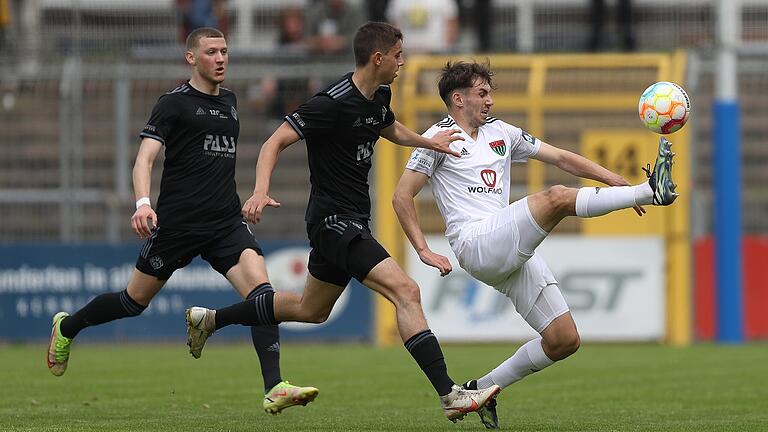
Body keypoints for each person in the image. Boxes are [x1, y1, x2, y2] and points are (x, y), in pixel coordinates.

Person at [184, 22, 501, 422]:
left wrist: (428, 141)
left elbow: (388, 128)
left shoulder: (379, 94)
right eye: (399, 55)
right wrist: (260, 190)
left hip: (351, 220)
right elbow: (273, 141)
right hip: (332, 221)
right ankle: (449, 393)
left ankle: (210, 319)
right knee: (406, 290)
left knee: (309, 309)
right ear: (378, 58)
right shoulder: (330, 102)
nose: (404, 62)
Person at [46, 27, 318, 416]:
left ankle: (275, 386)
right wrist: (143, 203)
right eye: (211, 52)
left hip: (225, 223)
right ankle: (67, 327)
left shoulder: (231, 101)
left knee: (263, 294)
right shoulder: (173, 103)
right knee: (132, 301)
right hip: (177, 226)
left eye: (224, 51)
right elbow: (144, 159)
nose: (221, 58)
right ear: (191, 58)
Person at [392, 61, 677, 428]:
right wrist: (423, 250)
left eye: (490, 93)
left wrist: (612, 179)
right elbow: (402, 196)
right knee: (556, 198)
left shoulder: (502, 133)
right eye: (483, 93)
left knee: (563, 339)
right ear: (458, 99)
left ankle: (479, 389)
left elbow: (560, 157)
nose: (490, 101)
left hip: (505, 246)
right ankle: (653, 192)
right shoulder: (437, 138)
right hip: (475, 242)